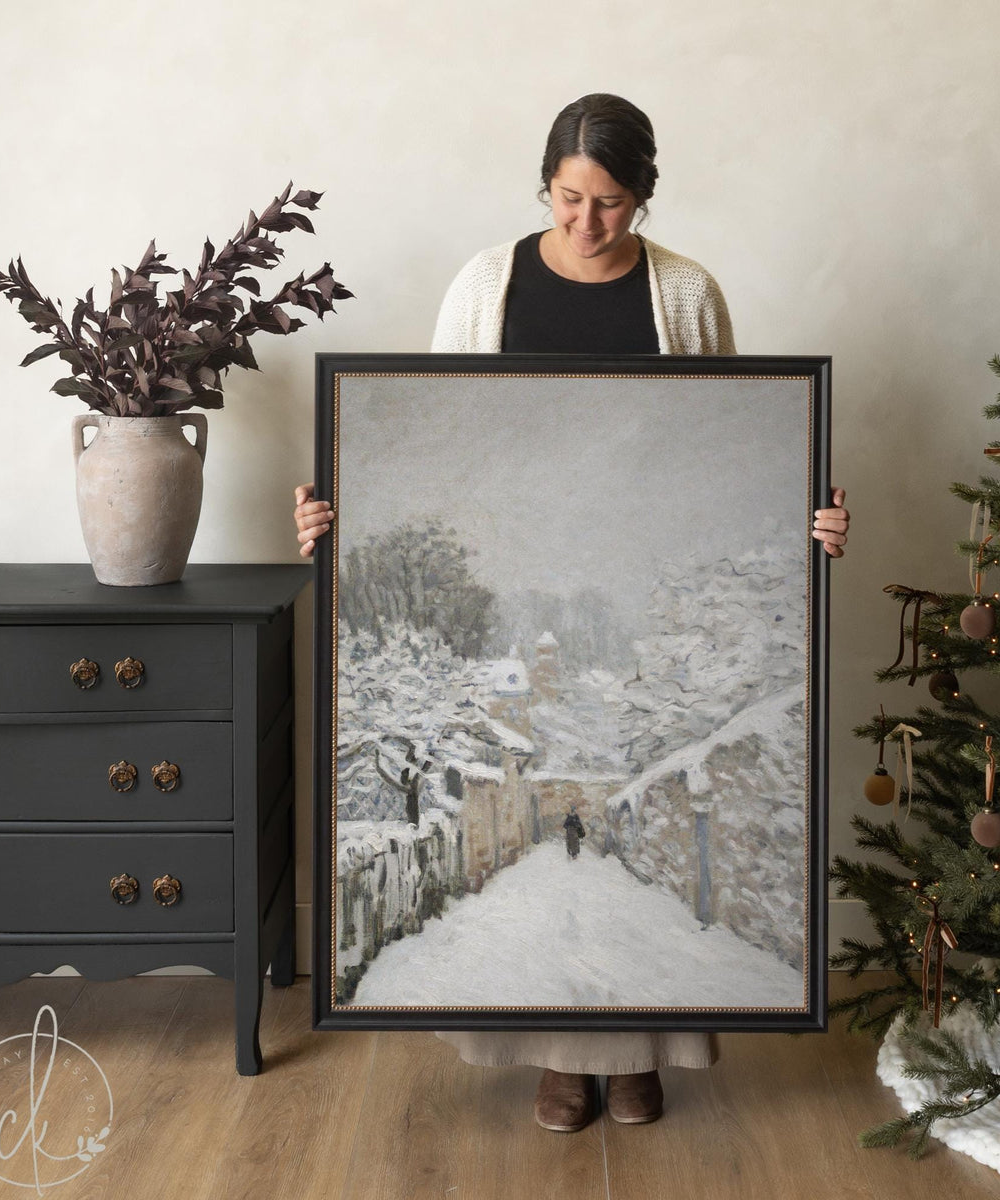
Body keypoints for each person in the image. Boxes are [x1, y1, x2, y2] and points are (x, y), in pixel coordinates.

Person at [294, 93, 850, 1134]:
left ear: (643, 196)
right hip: (513, 561)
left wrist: (808, 520)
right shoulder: (485, 284)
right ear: (543, 183)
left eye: (610, 204)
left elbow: (746, 427)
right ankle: (559, 1059)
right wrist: (336, 506)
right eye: (567, 199)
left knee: (613, 910)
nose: (587, 224)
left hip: (647, 561)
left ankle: (641, 1054)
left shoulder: (685, 294)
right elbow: (423, 420)